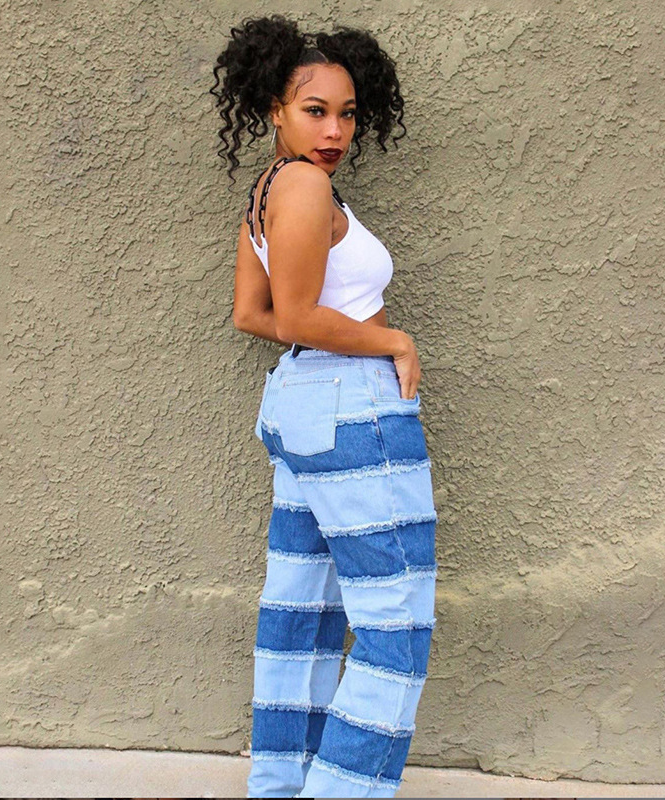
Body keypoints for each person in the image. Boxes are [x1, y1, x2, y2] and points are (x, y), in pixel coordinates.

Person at [210, 14, 438, 799]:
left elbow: (252, 313)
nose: (335, 130)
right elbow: (297, 316)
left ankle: (282, 786)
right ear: (275, 108)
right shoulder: (306, 186)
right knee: (395, 624)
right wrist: (393, 340)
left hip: (299, 404)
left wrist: (331, 337)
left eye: (347, 113)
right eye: (316, 111)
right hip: (352, 405)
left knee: (300, 616)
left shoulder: (267, 191)